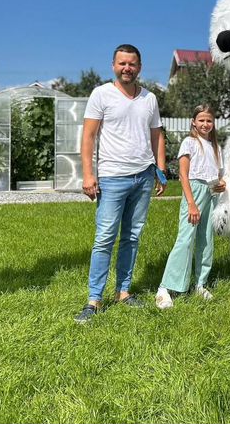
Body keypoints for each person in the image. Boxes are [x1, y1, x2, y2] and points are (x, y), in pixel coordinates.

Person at [74, 43, 166, 324]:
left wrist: (160, 170)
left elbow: (157, 135)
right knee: (104, 239)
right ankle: (94, 299)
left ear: (139, 67)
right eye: (122, 63)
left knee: (132, 238)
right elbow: (88, 137)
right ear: (114, 65)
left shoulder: (149, 98)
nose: (127, 68)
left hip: (142, 177)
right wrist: (88, 175)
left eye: (132, 64)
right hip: (112, 178)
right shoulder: (101, 94)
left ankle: (123, 292)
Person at [155, 104, 226, 309]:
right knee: (185, 240)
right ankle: (165, 287)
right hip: (193, 192)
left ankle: (200, 284)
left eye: (209, 120)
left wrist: (220, 185)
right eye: (201, 120)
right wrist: (191, 204)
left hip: (211, 192)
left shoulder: (216, 148)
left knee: (206, 240)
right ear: (193, 122)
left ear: (213, 123)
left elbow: (219, 175)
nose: (205, 124)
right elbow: (183, 175)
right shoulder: (189, 142)